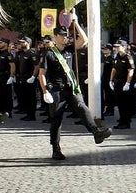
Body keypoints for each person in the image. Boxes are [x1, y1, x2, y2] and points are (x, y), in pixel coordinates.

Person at [38, 23, 112, 160]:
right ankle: (56, 148)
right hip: (56, 90)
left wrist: (76, 23)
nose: (65, 38)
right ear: (55, 36)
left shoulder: (69, 50)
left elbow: (84, 40)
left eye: (66, 36)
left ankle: (96, 132)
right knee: (56, 120)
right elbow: (41, 74)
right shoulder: (48, 53)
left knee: (82, 106)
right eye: (62, 35)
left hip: (71, 87)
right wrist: (44, 92)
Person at [110, 40, 136, 129]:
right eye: (116, 47)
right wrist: (111, 80)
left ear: (124, 47)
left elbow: (131, 70)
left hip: (124, 82)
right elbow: (114, 69)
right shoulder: (117, 56)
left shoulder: (128, 57)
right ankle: (122, 121)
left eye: (119, 46)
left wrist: (128, 83)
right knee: (119, 103)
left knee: (126, 103)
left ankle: (126, 122)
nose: (117, 48)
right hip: (117, 81)